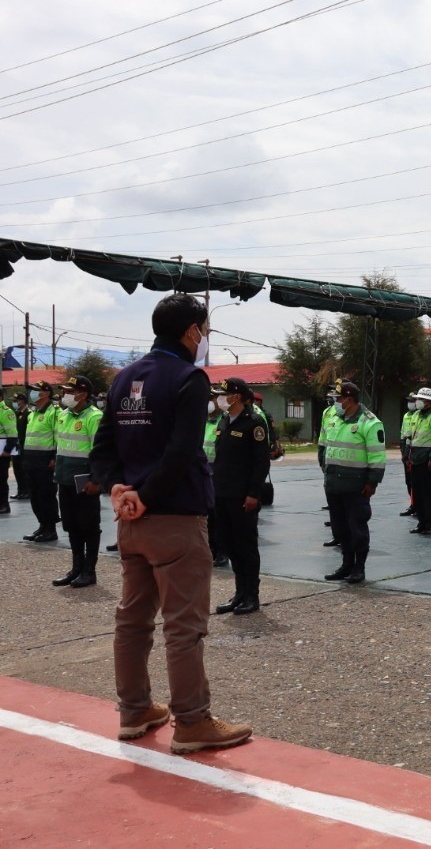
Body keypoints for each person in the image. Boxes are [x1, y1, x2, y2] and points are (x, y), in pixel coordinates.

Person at [89, 292, 251, 753]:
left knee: (133, 620)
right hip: (175, 518)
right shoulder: (188, 378)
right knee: (183, 625)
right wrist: (144, 495)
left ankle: (134, 710)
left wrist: (118, 490)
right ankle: (192, 722)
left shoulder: (124, 377)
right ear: (192, 331)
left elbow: (103, 448)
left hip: (131, 521)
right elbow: (181, 452)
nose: (205, 337)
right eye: (206, 330)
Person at [209, 378, 271, 615]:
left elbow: (261, 462)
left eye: (223, 394)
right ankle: (239, 593)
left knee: (246, 545)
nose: (219, 398)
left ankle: (251, 595)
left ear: (236, 397)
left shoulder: (254, 423)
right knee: (230, 543)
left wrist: (254, 493)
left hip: (243, 496)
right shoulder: (225, 420)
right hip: (222, 493)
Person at [322, 380, 385, 585]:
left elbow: (377, 457)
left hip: (356, 486)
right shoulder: (335, 419)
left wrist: (372, 483)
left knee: (357, 527)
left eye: (338, 398)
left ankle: (359, 567)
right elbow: (326, 447)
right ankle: (346, 564)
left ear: (349, 400)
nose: (336, 402)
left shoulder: (370, 422)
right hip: (334, 484)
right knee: (340, 528)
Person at [51, 376, 103, 588]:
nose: (66, 395)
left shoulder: (94, 416)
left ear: (83, 394)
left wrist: (96, 479)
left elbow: (100, 452)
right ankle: (76, 568)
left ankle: (89, 571)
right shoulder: (64, 415)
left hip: (84, 480)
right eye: (65, 391)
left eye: (71, 391)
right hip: (65, 478)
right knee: (71, 525)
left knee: (88, 525)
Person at [21, 379, 61, 542]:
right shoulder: (33, 413)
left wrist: (54, 457)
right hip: (31, 460)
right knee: (35, 496)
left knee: (46, 495)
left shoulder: (54, 412)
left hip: (46, 460)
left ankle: (50, 529)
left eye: (36, 390)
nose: (32, 393)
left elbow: (59, 437)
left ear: (46, 393)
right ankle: (42, 525)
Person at [406, 387, 431, 536]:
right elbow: (412, 436)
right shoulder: (416, 415)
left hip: (427, 460)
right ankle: (421, 523)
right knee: (418, 493)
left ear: (428, 401)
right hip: (415, 458)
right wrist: (407, 455)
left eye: (420, 399)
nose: (417, 401)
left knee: (429, 494)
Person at [318, 381, 345, 549]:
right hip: (330, 462)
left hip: (347, 466)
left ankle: (346, 537)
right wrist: (321, 454)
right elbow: (323, 436)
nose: (334, 398)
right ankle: (337, 535)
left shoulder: (351, 414)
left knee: (346, 505)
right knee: (333, 502)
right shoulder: (328, 412)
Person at [204, 390, 229, 568]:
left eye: (211, 399)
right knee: (206, 517)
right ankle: (210, 550)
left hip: (219, 473)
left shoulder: (225, 421)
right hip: (203, 473)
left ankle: (222, 552)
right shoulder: (202, 421)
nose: (208, 403)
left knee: (218, 516)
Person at [398, 394, 417, 517]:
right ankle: (413, 504)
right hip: (406, 448)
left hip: (415, 449)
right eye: (409, 401)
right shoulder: (406, 415)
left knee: (416, 482)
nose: (410, 403)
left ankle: (418, 505)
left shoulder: (418, 415)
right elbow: (403, 433)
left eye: (413, 401)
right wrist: (402, 449)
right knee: (408, 481)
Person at [0, 390, 17, 514]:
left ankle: (4, 505)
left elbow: (12, 434)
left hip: (2, 452)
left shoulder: (6, 412)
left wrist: (7, 450)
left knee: (1, 479)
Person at [12, 391, 30, 500]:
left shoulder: (28, 413)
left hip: (24, 446)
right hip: (16, 446)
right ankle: (20, 490)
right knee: (17, 469)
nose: (15, 403)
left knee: (24, 470)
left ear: (22, 401)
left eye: (16, 400)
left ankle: (26, 491)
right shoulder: (16, 413)